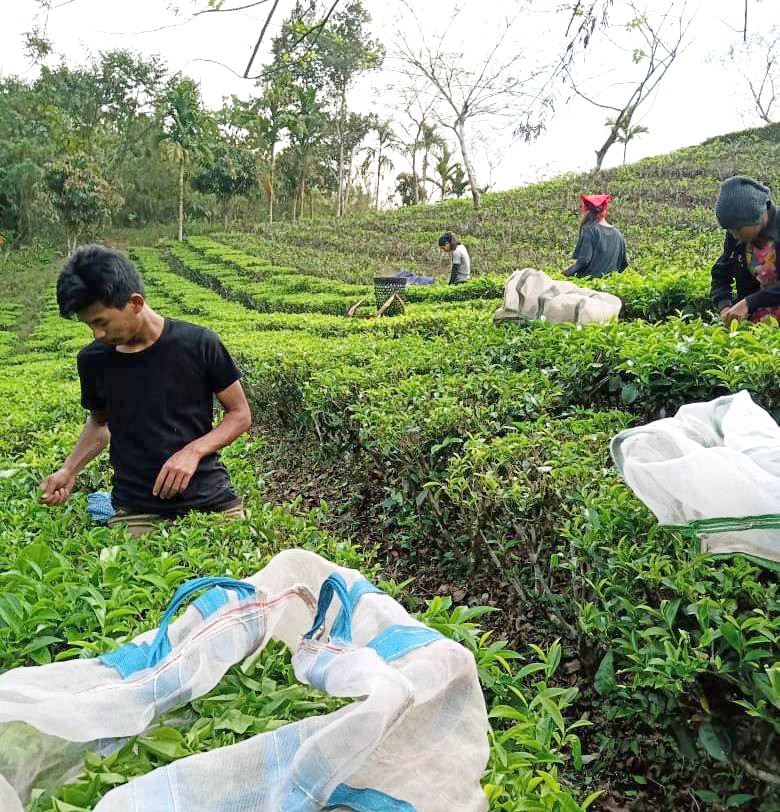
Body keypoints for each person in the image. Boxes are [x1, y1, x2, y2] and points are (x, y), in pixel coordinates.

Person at [39, 245, 252, 537]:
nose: (97, 334)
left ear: (135, 302)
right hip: (138, 509)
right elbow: (100, 423)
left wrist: (192, 452)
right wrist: (69, 470)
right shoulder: (93, 360)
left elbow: (240, 414)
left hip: (212, 502)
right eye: (89, 325)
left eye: (101, 322)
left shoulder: (199, 343)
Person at [711, 176, 779, 327]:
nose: (734, 235)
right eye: (729, 230)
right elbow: (721, 274)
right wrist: (724, 306)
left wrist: (749, 302)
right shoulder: (736, 236)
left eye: (738, 229)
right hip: (753, 328)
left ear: (758, 215)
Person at [563, 194, 628, 279]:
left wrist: (566, 272)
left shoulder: (589, 230)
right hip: (609, 284)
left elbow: (583, 261)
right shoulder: (618, 234)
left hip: (587, 285)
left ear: (585, 210)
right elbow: (623, 265)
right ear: (605, 210)